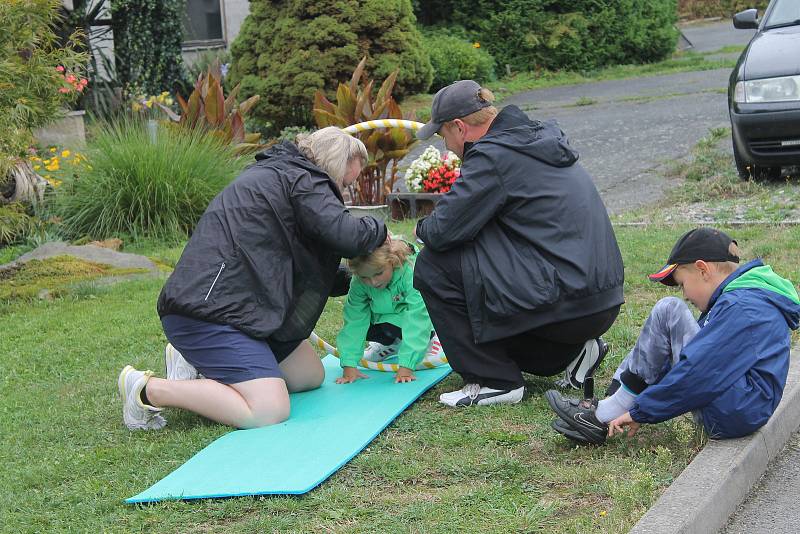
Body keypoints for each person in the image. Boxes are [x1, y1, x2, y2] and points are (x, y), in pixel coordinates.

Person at [117, 127, 387, 430]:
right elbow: (347, 236)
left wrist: (359, 276)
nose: (342, 194)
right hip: (209, 314)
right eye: (344, 183)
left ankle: (195, 363)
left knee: (309, 377)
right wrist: (383, 230)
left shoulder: (284, 176)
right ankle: (146, 389)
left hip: (240, 306)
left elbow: (299, 265)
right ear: (332, 167)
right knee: (268, 409)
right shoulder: (302, 179)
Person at [412, 79, 625, 407]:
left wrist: (419, 229)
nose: (447, 148)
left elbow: (442, 231)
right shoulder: (533, 139)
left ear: (459, 127)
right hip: (600, 298)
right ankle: (575, 353)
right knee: (480, 261)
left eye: (443, 137)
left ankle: (494, 379)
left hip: (567, 299)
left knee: (434, 265)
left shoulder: (494, 156)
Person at [546, 228, 800, 445]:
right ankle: (613, 405)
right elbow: (703, 363)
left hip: (732, 412)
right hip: (737, 406)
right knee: (668, 321)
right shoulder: (744, 299)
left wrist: (641, 410)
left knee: (669, 310)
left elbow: (700, 372)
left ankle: (610, 411)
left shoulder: (743, 307)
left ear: (703, 270)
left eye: (682, 284)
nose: (685, 295)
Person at [335, 237, 442, 385]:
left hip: (424, 318)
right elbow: (354, 318)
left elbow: (418, 315)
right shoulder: (359, 282)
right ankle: (392, 343)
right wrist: (349, 363)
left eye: (378, 273)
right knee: (360, 322)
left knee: (417, 320)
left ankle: (432, 339)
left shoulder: (410, 271)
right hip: (388, 319)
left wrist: (407, 365)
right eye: (365, 277)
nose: (373, 282)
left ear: (392, 260)